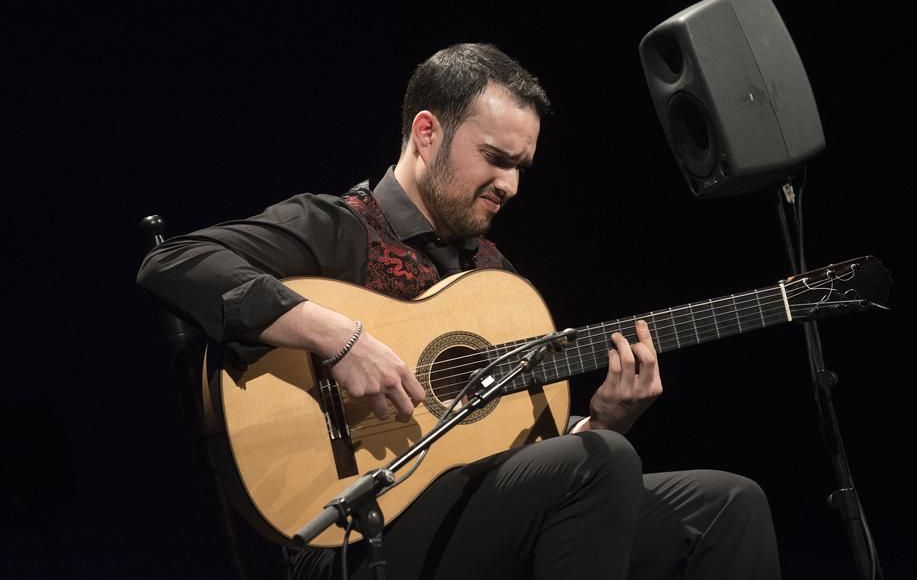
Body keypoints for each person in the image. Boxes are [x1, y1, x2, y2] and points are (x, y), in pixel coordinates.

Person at [137, 42, 781, 579]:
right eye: (496, 159)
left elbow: (529, 463)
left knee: (728, 503)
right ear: (427, 132)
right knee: (601, 463)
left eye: (522, 167)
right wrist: (337, 337)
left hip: (469, 524)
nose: (511, 185)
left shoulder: (498, 283)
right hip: (350, 536)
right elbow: (173, 265)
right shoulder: (337, 227)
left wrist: (605, 421)